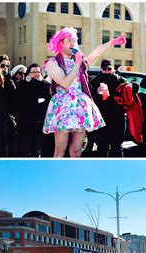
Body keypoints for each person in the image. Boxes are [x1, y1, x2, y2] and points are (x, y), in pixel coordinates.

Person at [43, 27, 126, 157]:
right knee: (60, 151)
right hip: (62, 108)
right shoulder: (52, 63)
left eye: (74, 41)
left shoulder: (80, 62)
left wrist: (112, 43)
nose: (73, 43)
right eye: (69, 40)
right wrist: (77, 64)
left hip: (80, 107)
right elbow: (65, 83)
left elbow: (95, 53)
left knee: (76, 151)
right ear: (60, 43)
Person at [12, 63, 51, 157]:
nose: (36, 74)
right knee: (24, 149)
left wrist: (38, 101)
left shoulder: (45, 85)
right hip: (25, 123)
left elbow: (47, 101)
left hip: (39, 122)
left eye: (38, 71)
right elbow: (22, 103)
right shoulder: (23, 85)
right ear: (28, 74)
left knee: (36, 150)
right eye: (33, 72)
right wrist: (38, 101)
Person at [90, 59, 127, 157]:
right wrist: (96, 92)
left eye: (109, 68)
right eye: (104, 68)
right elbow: (88, 99)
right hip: (101, 118)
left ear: (113, 68)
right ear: (101, 69)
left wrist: (132, 86)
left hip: (117, 117)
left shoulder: (120, 80)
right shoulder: (94, 81)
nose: (107, 71)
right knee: (102, 146)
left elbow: (129, 93)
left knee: (117, 146)